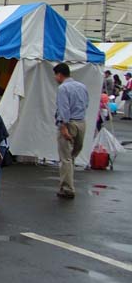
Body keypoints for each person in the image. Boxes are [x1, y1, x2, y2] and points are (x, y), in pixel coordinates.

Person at [53, 63, 89, 199]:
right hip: (81, 122)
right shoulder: (82, 86)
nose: (55, 78)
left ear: (60, 75)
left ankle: (67, 188)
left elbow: (63, 109)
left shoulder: (63, 88)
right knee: (73, 155)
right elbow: (86, 104)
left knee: (65, 157)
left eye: (56, 75)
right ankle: (68, 182)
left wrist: (63, 127)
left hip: (69, 123)